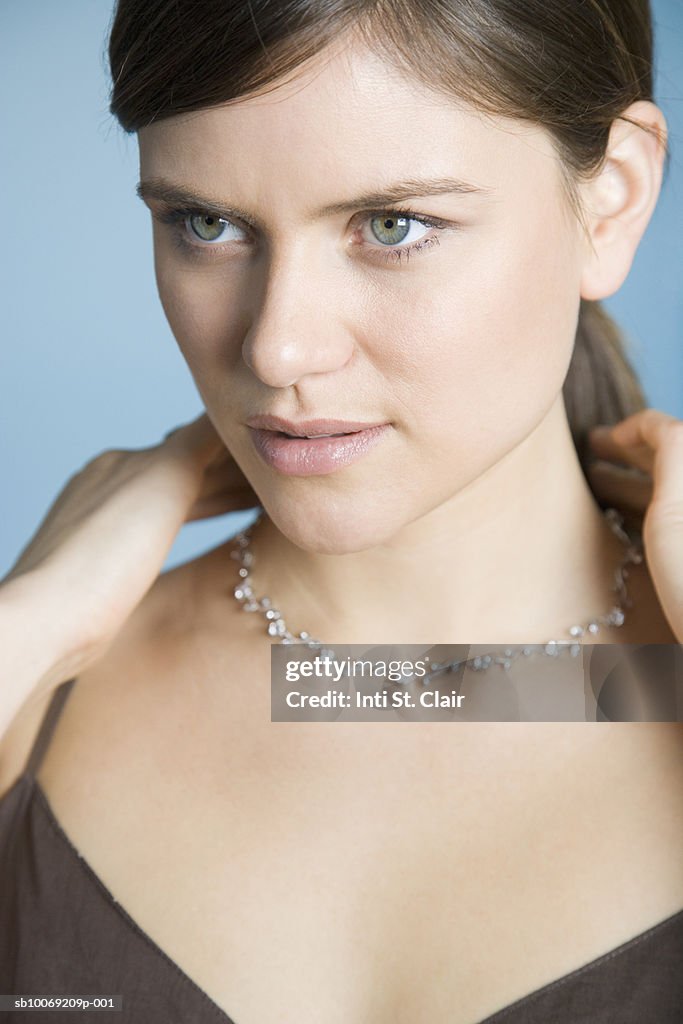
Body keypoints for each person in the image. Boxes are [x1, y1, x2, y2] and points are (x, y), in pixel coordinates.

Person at [1, 0, 682, 1020]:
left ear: (612, 199)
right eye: (208, 223)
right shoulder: (46, 683)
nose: (276, 350)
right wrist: (30, 621)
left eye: (392, 226)